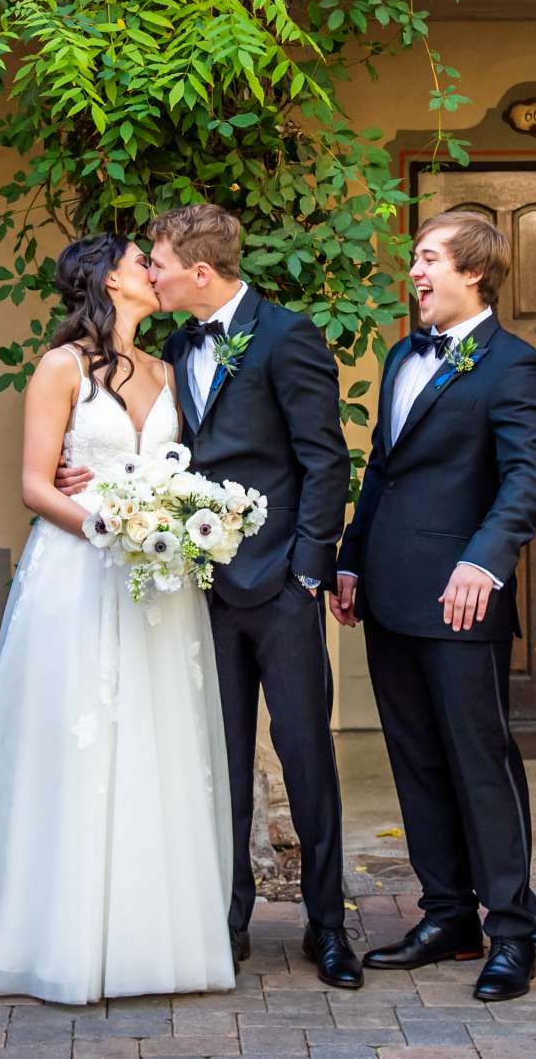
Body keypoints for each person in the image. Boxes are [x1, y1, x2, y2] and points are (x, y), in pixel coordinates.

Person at [0, 234, 236, 1004]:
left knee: (154, 745)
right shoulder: (59, 367)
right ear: (103, 279)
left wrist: (172, 519)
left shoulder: (169, 371)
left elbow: (178, 472)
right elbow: (36, 486)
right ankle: (54, 938)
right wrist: (110, 529)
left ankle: (149, 941)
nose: (149, 269)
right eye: (139, 260)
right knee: (74, 742)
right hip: (77, 573)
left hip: (158, 582)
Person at [332, 210, 536, 1004]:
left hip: (463, 602)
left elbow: (526, 479)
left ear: (475, 272)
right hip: (389, 595)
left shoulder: (516, 366)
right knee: (416, 761)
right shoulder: (400, 356)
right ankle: (447, 914)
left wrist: (484, 562)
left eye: (428, 259)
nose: (415, 272)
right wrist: (351, 561)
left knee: (480, 764)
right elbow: (382, 469)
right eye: (416, 260)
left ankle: (513, 931)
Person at [144, 204, 357, 986]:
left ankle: (328, 925)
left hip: (278, 589)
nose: (151, 273)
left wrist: (307, 571)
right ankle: (227, 920)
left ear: (200, 272)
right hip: (202, 590)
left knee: (305, 755)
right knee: (220, 761)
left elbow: (323, 459)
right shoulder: (175, 343)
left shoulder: (286, 335)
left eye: (159, 261)